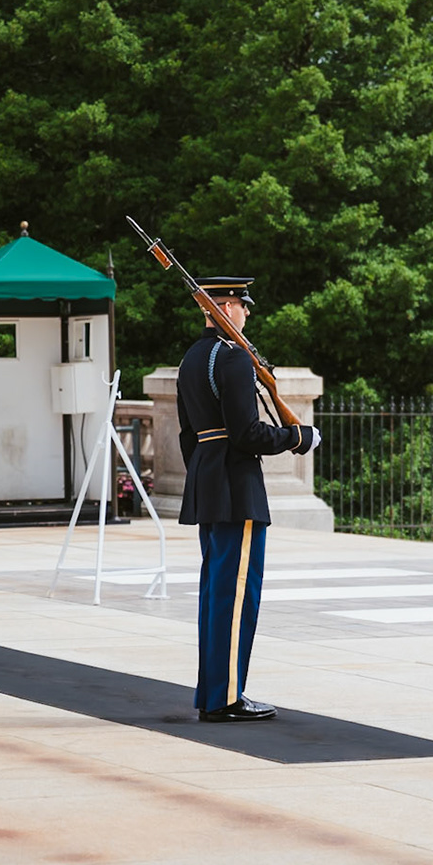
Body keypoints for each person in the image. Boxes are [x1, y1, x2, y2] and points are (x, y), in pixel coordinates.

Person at [175, 276, 320, 721]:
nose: (247, 311)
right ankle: (225, 699)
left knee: (216, 595)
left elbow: (188, 436)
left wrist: (205, 476)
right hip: (237, 490)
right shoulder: (233, 358)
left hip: (209, 486)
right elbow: (247, 434)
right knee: (237, 597)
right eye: (241, 304)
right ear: (223, 308)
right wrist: (298, 437)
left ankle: (213, 694)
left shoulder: (191, 358)